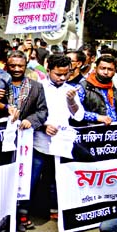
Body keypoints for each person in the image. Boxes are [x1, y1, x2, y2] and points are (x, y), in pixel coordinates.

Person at [35, 54, 84, 219]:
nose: (62, 78)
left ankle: (54, 209)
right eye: (58, 74)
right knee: (35, 176)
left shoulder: (70, 89)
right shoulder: (38, 87)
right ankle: (29, 211)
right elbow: (29, 114)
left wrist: (72, 101)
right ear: (48, 70)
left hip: (61, 142)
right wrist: (43, 126)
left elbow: (79, 116)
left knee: (56, 177)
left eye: (66, 74)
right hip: (39, 141)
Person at [4, 50, 48, 232]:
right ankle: (5, 217)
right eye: (12, 65)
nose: (16, 69)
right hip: (4, 140)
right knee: (6, 177)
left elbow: (43, 111)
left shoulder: (36, 87)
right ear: (7, 65)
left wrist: (32, 121)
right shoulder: (1, 84)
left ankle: (23, 213)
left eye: (20, 66)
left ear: (25, 66)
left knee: (28, 176)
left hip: (27, 140)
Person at [76, 56, 117, 125]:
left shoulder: (113, 87)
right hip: (92, 131)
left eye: (110, 69)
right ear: (95, 68)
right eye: (102, 68)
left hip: (113, 130)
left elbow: (116, 109)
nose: (106, 72)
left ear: (115, 71)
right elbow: (75, 112)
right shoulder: (83, 87)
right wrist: (97, 117)